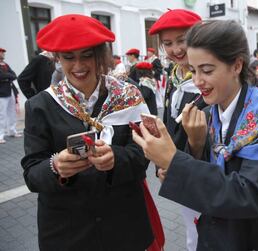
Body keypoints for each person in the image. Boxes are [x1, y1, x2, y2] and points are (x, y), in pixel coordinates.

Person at [134, 19, 258, 251]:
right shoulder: (208, 112)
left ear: (237, 65)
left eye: (207, 70)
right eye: (193, 70)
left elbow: (250, 196)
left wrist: (174, 161)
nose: (198, 81)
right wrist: (195, 145)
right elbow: (206, 177)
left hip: (254, 239)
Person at [20, 14, 155, 250]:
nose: (79, 66)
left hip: (124, 226)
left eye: (87, 55)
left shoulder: (129, 96)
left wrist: (116, 158)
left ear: (100, 55)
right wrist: (56, 167)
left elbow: (144, 154)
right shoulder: (40, 105)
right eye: (68, 57)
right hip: (67, 231)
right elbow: (32, 173)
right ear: (57, 59)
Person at [148, 9, 202, 251]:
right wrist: (162, 164)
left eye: (182, 40)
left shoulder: (206, 78)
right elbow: (170, 126)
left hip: (202, 167)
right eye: (168, 43)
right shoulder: (175, 74)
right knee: (192, 225)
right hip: (176, 165)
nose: (175, 49)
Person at [0, 47, 21, 144]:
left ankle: (12, 130)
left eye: (3, 52)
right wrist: (8, 76)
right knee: (2, 114)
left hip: (10, 91)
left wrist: (7, 76)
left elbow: (14, 75)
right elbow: (2, 76)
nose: (3, 54)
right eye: (1, 52)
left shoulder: (6, 65)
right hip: (1, 93)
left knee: (11, 112)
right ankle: (0, 134)